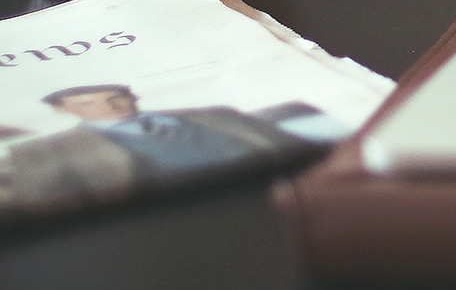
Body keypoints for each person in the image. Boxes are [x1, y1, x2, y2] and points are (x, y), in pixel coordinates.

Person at [0, 84, 305, 217]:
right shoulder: (43, 152)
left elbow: (291, 145)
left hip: (279, 193)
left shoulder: (215, 113)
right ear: (62, 110)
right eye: (86, 104)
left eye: (115, 97)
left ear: (133, 96)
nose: (107, 107)